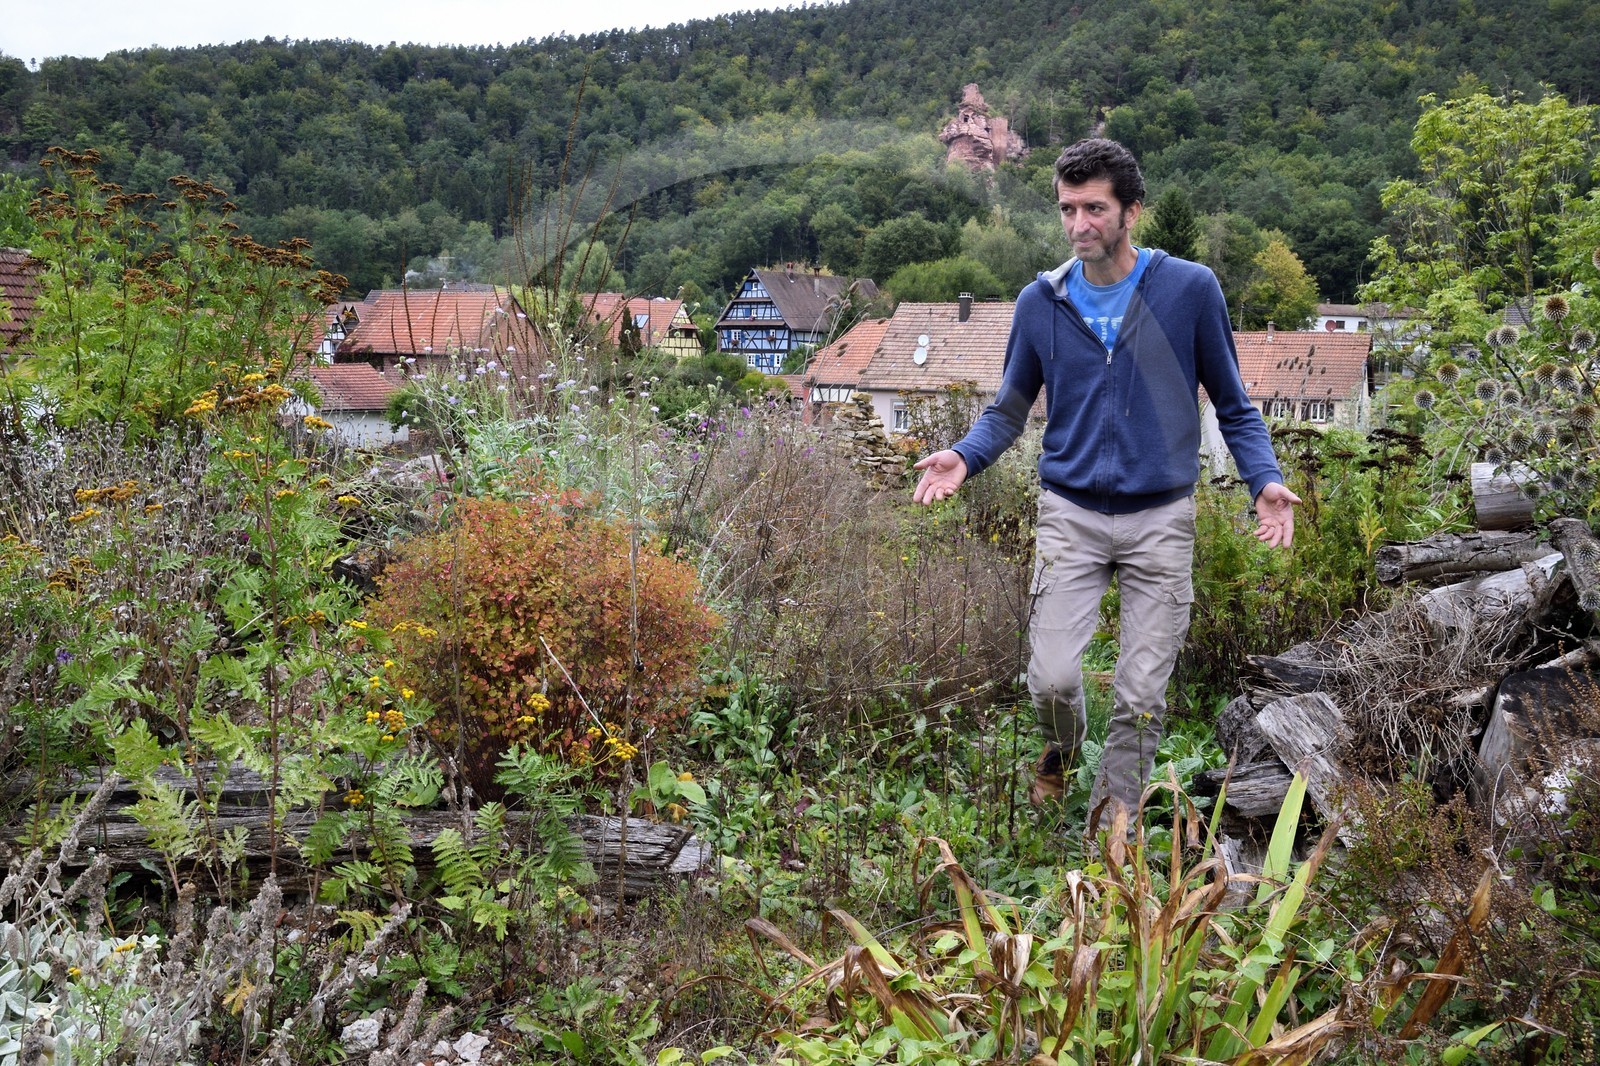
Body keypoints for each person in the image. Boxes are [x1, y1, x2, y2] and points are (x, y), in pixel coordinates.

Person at [912, 138, 1300, 818]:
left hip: (1160, 518)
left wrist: (1262, 478)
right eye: (1068, 209)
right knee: (1053, 680)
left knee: (1142, 696)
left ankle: (1110, 824)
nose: (1078, 224)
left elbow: (1234, 404)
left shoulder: (1189, 290)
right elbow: (1009, 407)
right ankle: (1060, 752)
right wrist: (965, 456)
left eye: (1094, 208)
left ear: (1131, 213)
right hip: (1072, 513)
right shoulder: (1042, 301)